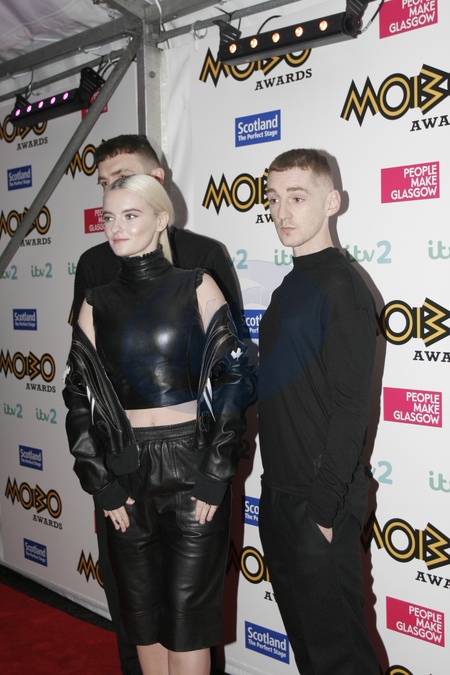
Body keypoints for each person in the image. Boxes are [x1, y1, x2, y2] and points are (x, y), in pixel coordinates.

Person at [63, 174, 255, 675]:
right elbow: (78, 397)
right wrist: (99, 481)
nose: (116, 227)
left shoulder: (196, 284)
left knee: (187, 623)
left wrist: (217, 471)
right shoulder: (94, 302)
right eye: (109, 217)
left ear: (160, 218)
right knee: (143, 621)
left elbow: (234, 378)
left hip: (193, 467)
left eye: (131, 215)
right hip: (126, 471)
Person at [258, 149, 381, 674]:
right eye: (273, 199)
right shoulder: (289, 286)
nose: (282, 212)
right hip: (280, 496)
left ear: (331, 202)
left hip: (319, 501)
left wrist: (324, 511)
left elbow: (353, 410)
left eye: (297, 197)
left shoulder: (343, 287)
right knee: (312, 656)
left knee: (341, 659)